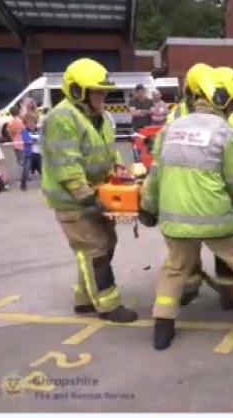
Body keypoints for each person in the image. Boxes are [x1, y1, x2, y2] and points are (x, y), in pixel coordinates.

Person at [139, 68, 233, 351]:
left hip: (175, 221)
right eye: (232, 104)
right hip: (218, 222)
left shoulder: (170, 129)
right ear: (221, 99)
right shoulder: (227, 134)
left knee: (175, 268)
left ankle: (162, 328)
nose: (232, 110)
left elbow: (155, 175)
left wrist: (147, 208)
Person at [41, 58, 137, 323]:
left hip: (97, 193)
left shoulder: (101, 117)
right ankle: (108, 305)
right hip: (73, 201)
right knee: (94, 248)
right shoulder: (62, 118)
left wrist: (119, 169)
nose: (102, 95)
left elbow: (107, 151)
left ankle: (83, 300)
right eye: (96, 90)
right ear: (77, 91)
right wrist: (87, 197)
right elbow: (66, 165)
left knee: (106, 243)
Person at [20, 113, 41, 191]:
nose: (31, 124)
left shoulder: (39, 130)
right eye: (29, 122)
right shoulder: (24, 131)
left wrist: (39, 140)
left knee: (41, 169)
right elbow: (26, 139)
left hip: (38, 153)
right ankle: (23, 184)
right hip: (29, 154)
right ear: (25, 123)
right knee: (26, 169)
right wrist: (31, 141)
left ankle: (45, 183)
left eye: (33, 122)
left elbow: (42, 138)